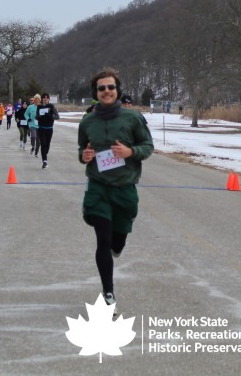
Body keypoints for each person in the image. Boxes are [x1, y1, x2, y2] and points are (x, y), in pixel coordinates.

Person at [77, 68, 154, 308]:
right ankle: (108, 293)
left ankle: (118, 244)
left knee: (117, 242)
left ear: (117, 90)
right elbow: (82, 149)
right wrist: (84, 156)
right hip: (98, 187)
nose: (107, 91)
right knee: (103, 238)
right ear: (96, 92)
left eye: (111, 87)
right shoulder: (87, 121)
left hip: (124, 188)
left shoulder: (133, 118)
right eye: (102, 88)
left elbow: (148, 146)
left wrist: (131, 151)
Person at [36, 93, 60, 169]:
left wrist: (50, 116)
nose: (45, 99)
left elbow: (57, 117)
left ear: (49, 99)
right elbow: (36, 116)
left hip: (49, 128)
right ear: (42, 99)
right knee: (43, 143)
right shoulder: (39, 107)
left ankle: (44, 154)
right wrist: (39, 117)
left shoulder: (51, 106)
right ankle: (45, 161)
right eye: (44, 98)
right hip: (41, 128)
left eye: (47, 98)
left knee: (47, 144)